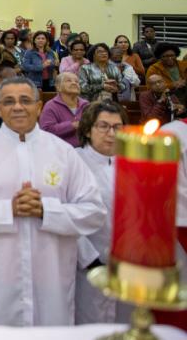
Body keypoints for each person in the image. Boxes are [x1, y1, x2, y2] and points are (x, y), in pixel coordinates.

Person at [0, 77, 106, 326]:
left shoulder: (63, 151)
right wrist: (7, 210)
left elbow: (94, 211)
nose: (18, 107)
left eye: (25, 100)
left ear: (39, 106)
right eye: (9, 101)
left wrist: (46, 211)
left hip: (51, 279)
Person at [74, 101, 131, 325]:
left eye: (117, 127)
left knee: (126, 325)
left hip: (127, 264)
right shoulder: (74, 161)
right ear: (88, 130)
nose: (111, 134)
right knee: (92, 327)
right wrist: (90, 259)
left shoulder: (133, 162)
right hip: (89, 265)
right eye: (103, 126)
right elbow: (68, 217)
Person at [39, 71, 89, 146]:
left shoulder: (86, 105)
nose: (74, 83)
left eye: (77, 81)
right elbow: (46, 130)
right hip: (59, 149)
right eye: (68, 80)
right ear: (58, 87)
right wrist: (72, 125)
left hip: (85, 148)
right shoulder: (51, 106)